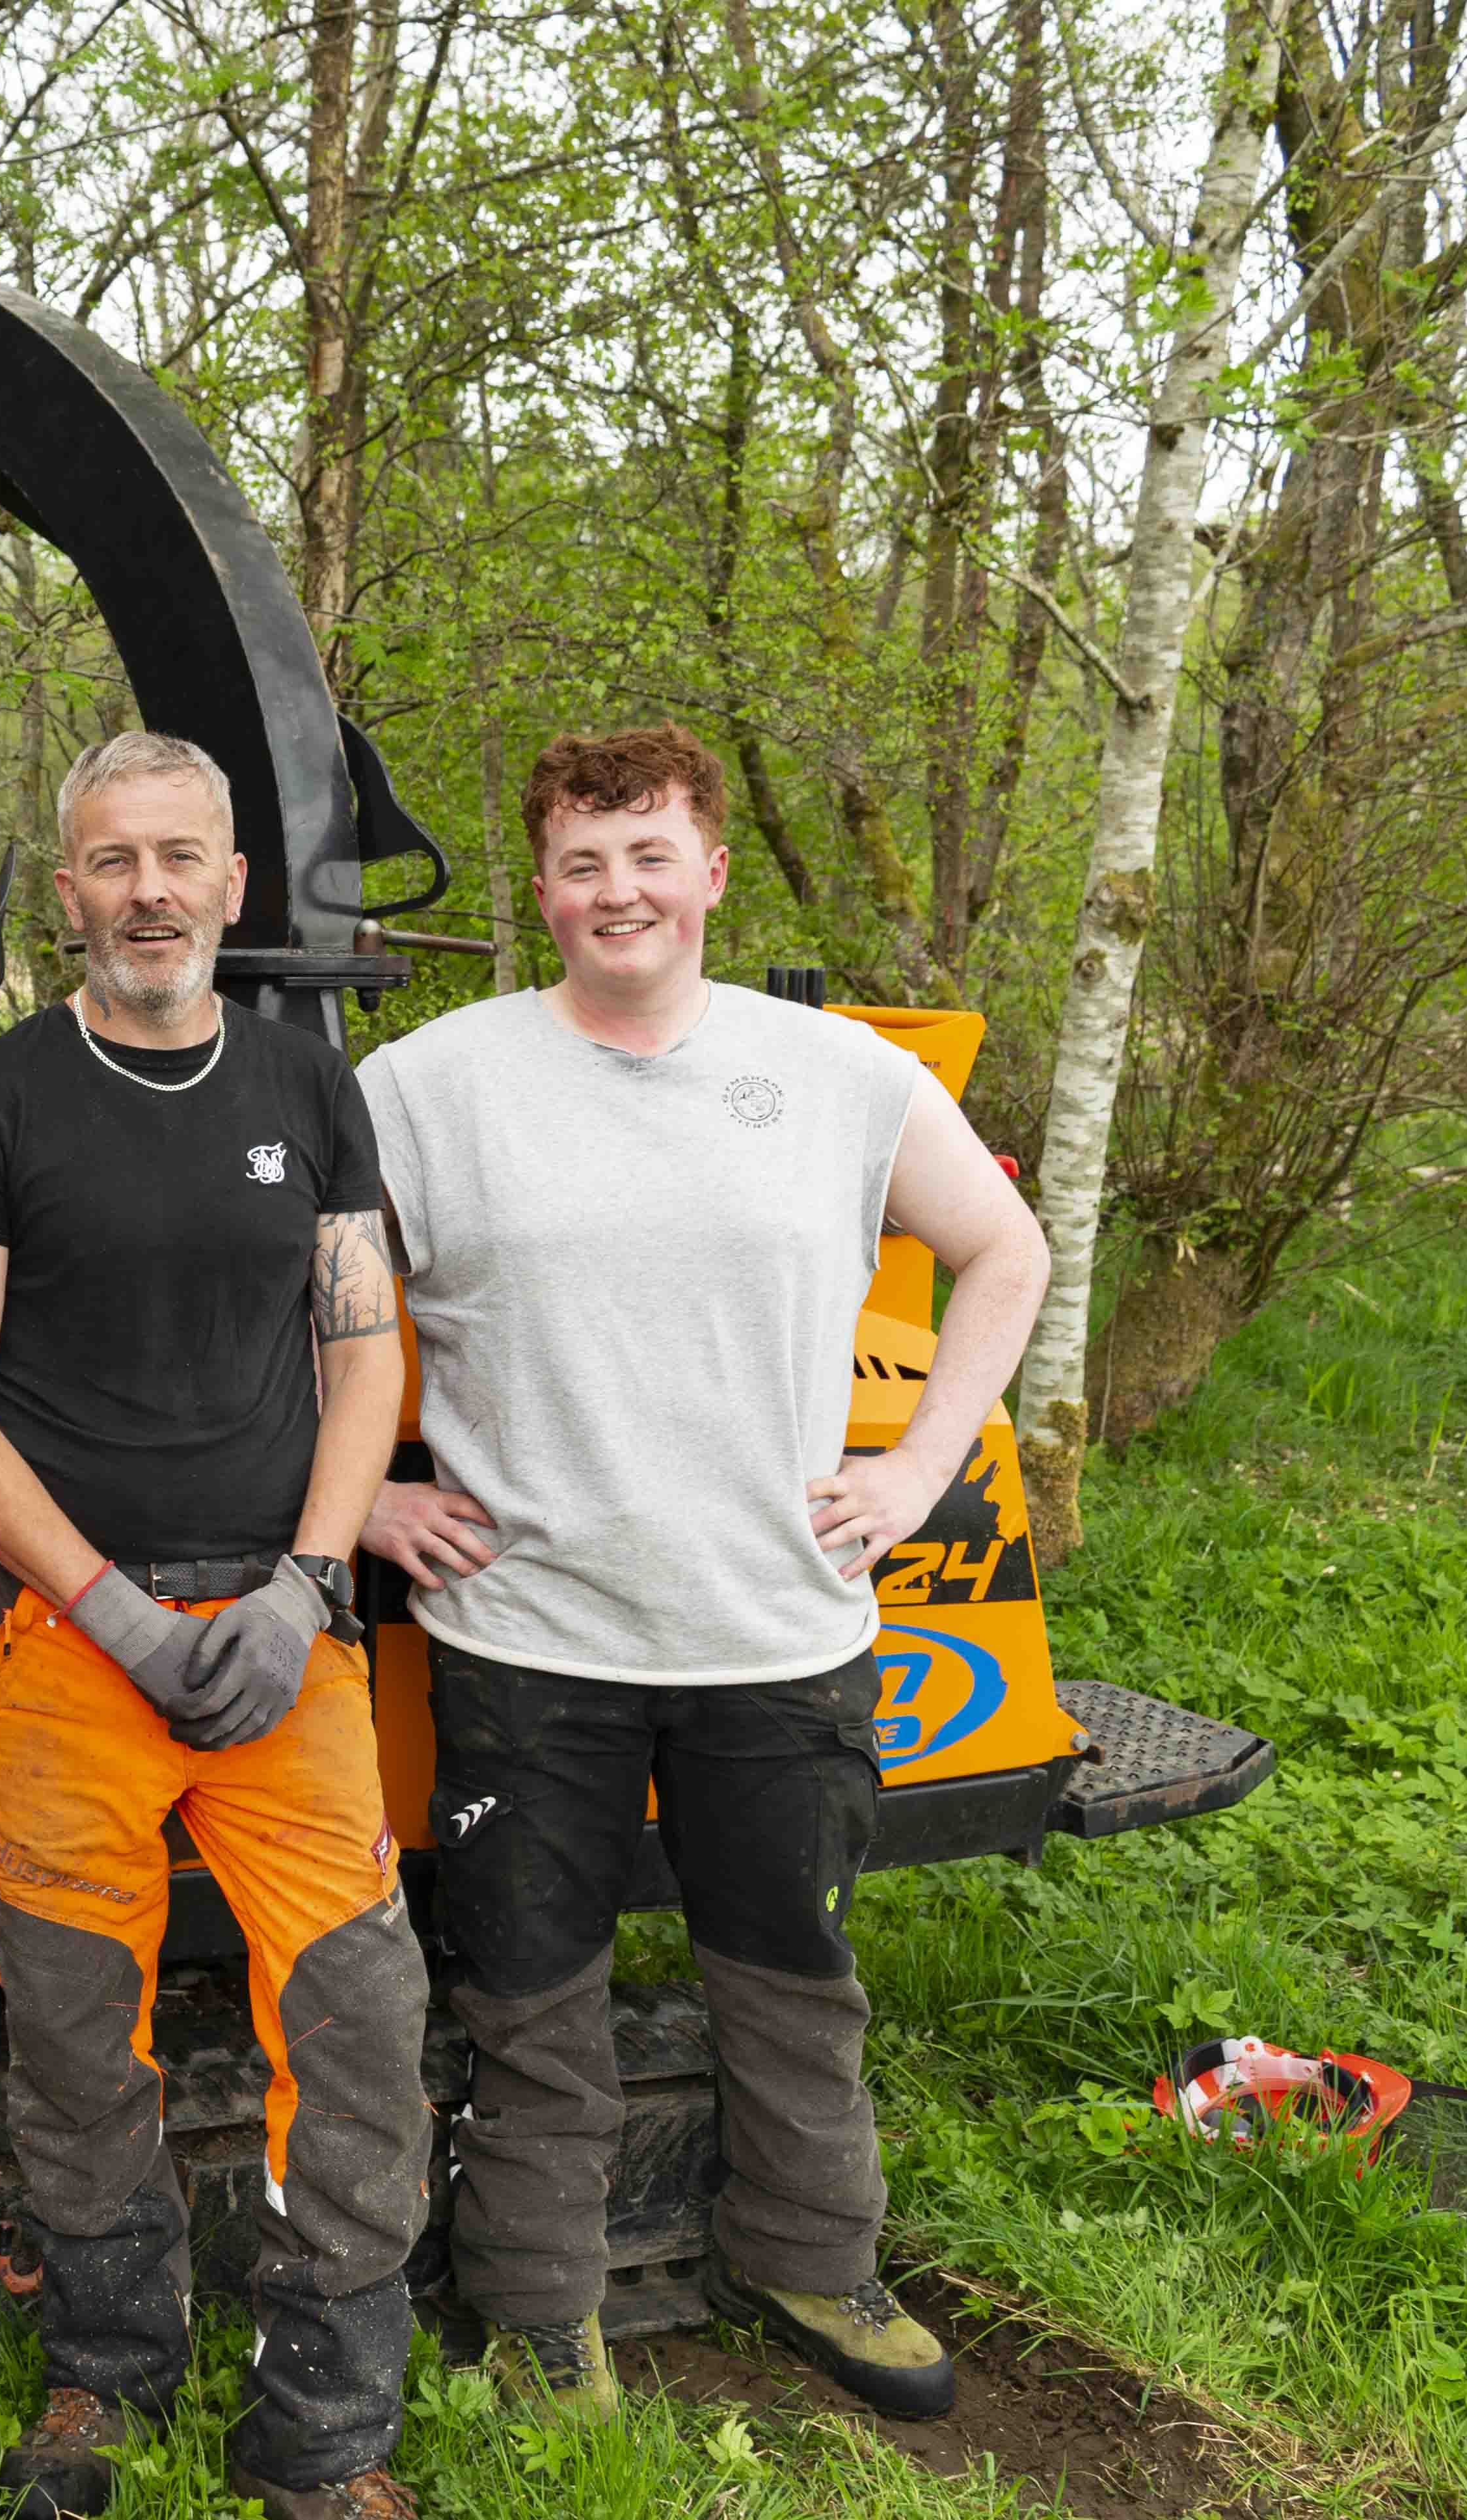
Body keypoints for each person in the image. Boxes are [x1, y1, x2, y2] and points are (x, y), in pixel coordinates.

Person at [356, 723, 1049, 2424]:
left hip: (773, 1627)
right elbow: (305, 1301)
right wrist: (365, 1496)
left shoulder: (836, 1074)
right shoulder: (429, 1083)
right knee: (527, 1993)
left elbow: (1002, 1249)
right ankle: (535, 2306)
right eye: (584, 861)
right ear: (542, 883)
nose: (618, 890)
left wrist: (915, 1465)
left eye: (649, 854)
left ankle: (810, 2250)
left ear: (711, 870)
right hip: (526, 1629)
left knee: (793, 1974)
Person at [0, 731, 429, 2520]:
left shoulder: (300, 1086)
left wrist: (305, 1581)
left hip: (286, 1640)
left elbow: (363, 1349)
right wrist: (108, 1606)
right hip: (60, 1644)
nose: (146, 891)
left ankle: (324, 2434)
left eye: (176, 858)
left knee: (356, 2012)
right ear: (68, 892)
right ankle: (104, 2378)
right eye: (110, 861)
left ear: (229, 886)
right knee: (67, 2026)